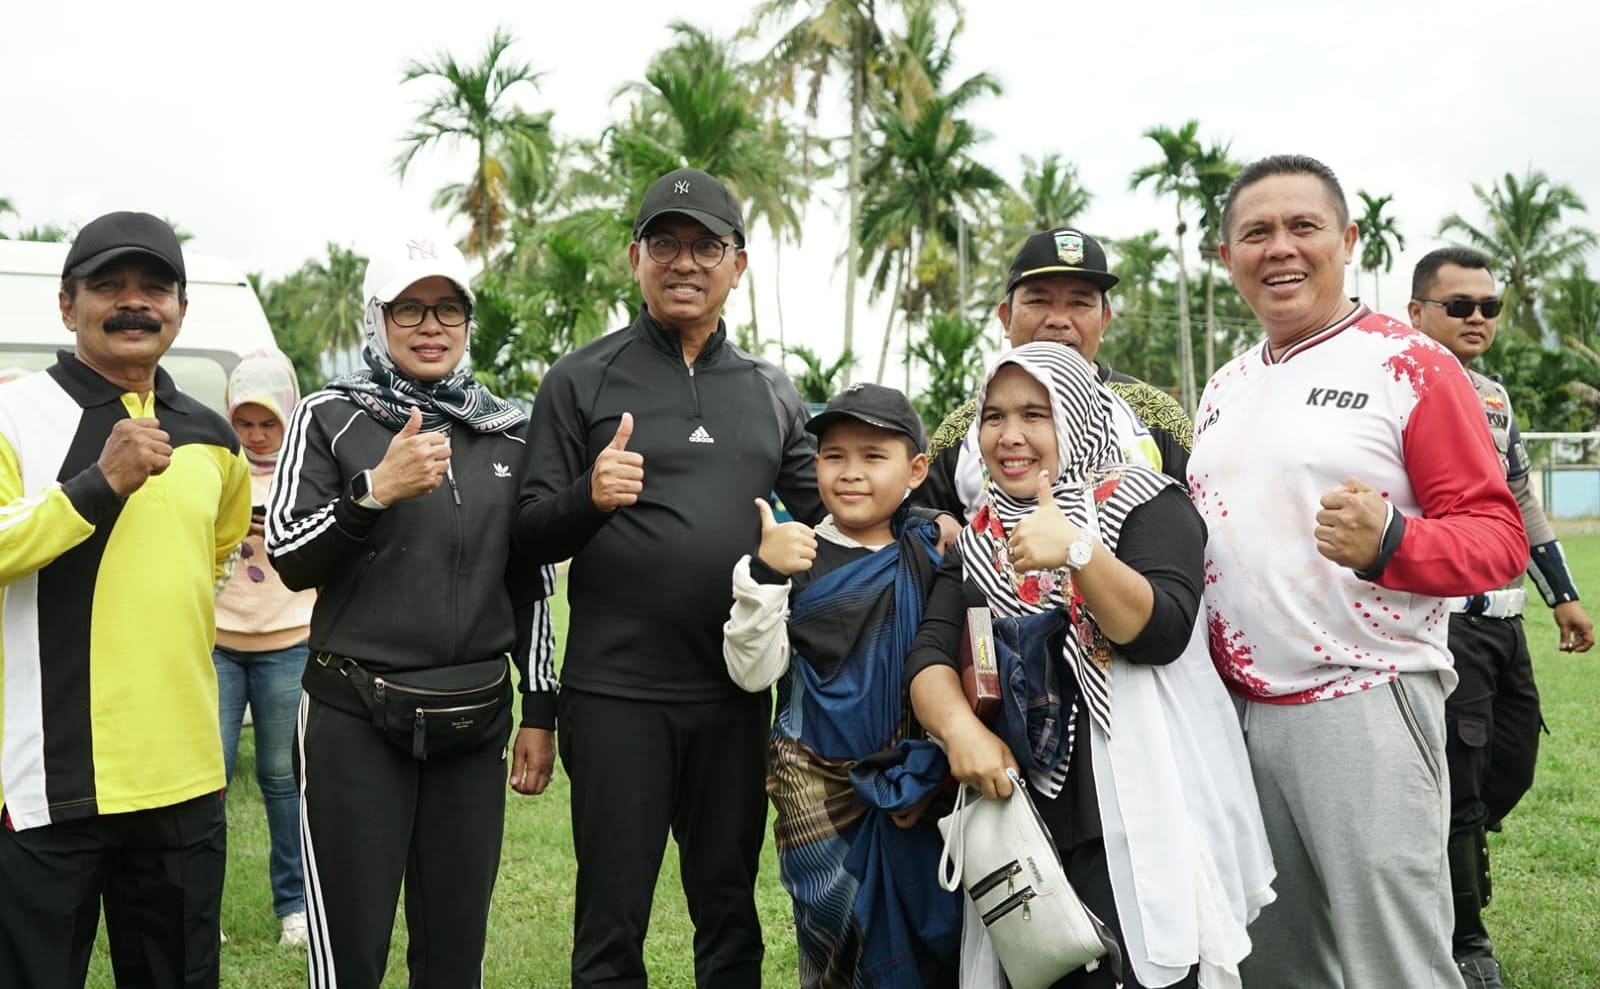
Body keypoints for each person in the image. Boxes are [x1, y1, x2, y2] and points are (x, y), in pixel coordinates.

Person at [1189, 154, 1528, 986]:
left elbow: (1497, 536)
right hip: (1238, 715)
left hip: (1363, 702)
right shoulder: (1225, 385)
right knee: (1273, 962)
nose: (1280, 248)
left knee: (1396, 966)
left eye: (1303, 227)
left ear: (1347, 239)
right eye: (1255, 232)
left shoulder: (1411, 365)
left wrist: (1393, 543)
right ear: (1227, 255)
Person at [516, 166, 822, 988]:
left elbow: (828, 513)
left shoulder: (771, 391)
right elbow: (527, 534)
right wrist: (589, 497)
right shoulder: (581, 380)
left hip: (730, 694)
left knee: (728, 908)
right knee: (612, 917)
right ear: (635, 257)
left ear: (737, 264)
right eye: (665, 244)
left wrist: (923, 511)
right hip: (615, 694)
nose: (684, 262)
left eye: (705, 246)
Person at [905, 343, 1275, 989]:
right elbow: (931, 652)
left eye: (1034, 414)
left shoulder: (1146, 503)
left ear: (1075, 414)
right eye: (992, 416)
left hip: (1133, 799)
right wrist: (961, 729)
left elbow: (1159, 630)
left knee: (1148, 968)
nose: (1009, 436)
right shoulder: (981, 536)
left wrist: (1077, 550)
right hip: (1021, 807)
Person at [265, 235, 557, 988]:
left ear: (467, 320)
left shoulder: (508, 428)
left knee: (455, 951)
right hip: (353, 716)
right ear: (378, 318)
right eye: (410, 308)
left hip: (473, 715)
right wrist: (374, 491)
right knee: (351, 951)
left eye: (448, 307)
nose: (431, 325)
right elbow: (291, 554)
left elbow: (531, 581)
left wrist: (540, 709)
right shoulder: (330, 415)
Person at [0, 211, 251, 987]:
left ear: (180, 307)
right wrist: (94, 486)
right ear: (66, 305)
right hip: (45, 778)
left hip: (182, 778)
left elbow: (215, 554)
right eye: (108, 285)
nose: (133, 303)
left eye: (155, 287)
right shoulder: (13, 414)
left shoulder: (213, 437)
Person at [722, 383, 960, 988]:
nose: (850, 473)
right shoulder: (791, 553)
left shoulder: (934, 548)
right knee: (837, 950)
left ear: (915, 470)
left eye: (872, 456)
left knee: (935, 945)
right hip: (818, 795)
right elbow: (752, 671)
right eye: (833, 456)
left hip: (918, 786)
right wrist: (766, 572)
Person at [1406, 245, 1596, 988]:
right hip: (1443, 619)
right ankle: (1466, 936)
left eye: (1488, 306)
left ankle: (1437, 866)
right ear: (1418, 311)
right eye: (1459, 306)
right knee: (1463, 780)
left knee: (1510, 765)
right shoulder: (1396, 387)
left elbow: (1520, 498)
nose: (1477, 317)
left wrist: (1564, 594)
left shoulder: (1492, 396)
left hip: (1505, 620)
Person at [915, 227, 1192, 537]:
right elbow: (919, 529)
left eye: (1079, 304)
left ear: (1104, 321)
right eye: (1038, 301)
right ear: (1006, 318)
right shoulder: (960, 433)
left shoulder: (1157, 416)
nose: (1058, 319)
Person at [213, 348, 315, 948]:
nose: (255, 435)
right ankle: (203, 904)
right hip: (217, 644)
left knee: (283, 778)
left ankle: (295, 907)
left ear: (288, 415)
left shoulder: (309, 467)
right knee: (209, 778)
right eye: (244, 422)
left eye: (267, 422)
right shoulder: (216, 465)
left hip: (289, 643)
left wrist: (277, 526)